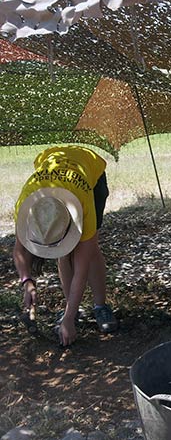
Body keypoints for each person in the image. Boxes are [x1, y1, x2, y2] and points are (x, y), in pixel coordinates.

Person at [13, 145, 118, 346]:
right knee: (64, 251)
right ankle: (73, 310)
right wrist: (27, 282)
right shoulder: (26, 207)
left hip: (89, 173)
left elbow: (82, 268)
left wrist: (67, 320)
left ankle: (100, 306)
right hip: (52, 166)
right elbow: (19, 251)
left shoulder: (84, 201)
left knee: (90, 250)